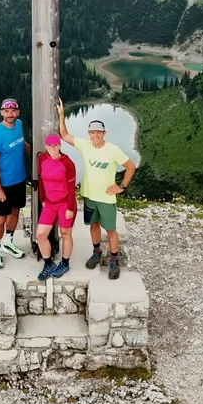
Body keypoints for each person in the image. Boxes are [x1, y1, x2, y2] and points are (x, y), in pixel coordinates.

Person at [56, 98, 136, 280]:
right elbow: (64, 135)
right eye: (92, 132)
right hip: (89, 195)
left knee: (111, 230)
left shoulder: (113, 149)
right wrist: (62, 115)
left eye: (98, 133)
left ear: (104, 133)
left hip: (107, 198)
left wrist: (121, 187)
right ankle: (96, 252)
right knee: (93, 226)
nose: (95, 136)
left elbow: (131, 166)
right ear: (89, 133)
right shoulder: (85, 145)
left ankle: (114, 260)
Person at [0, 97, 29, 268]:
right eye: (7, 111)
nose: (10, 114)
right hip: (5, 183)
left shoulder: (18, 124)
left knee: (15, 212)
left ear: (17, 112)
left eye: (13, 111)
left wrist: (30, 147)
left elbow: (20, 142)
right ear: (1, 113)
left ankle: (8, 242)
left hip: (20, 179)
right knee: (1, 217)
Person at [35, 134, 77, 280]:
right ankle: (49, 264)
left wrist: (70, 207)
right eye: (49, 145)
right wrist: (42, 198)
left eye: (55, 145)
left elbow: (71, 187)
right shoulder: (42, 159)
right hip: (50, 203)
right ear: (46, 146)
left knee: (65, 232)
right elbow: (41, 180)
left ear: (60, 146)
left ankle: (65, 263)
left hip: (65, 202)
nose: (52, 148)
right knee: (40, 235)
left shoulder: (67, 163)